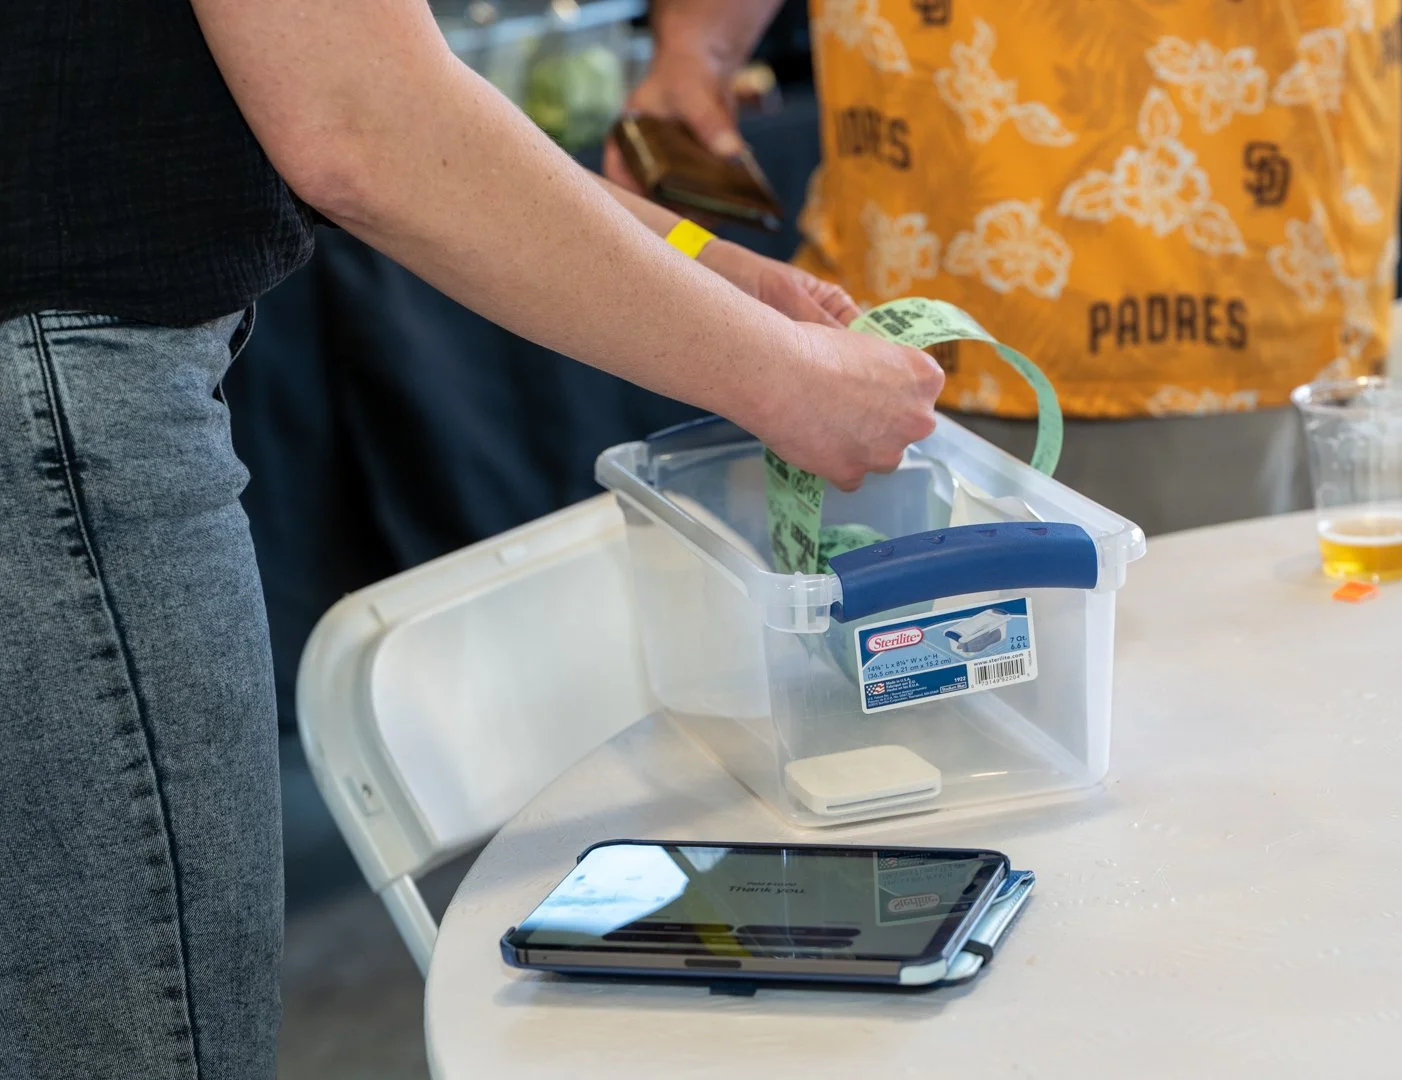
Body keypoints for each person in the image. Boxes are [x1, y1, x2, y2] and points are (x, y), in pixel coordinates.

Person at [0, 1, 944, 1076]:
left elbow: (378, 92)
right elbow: (362, 125)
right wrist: (789, 383)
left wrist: (717, 271)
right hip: (61, 420)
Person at [608, 0, 1402, 535]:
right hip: (901, 271)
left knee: (1232, 705)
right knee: (916, 722)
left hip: (1228, 270)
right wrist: (701, 42)